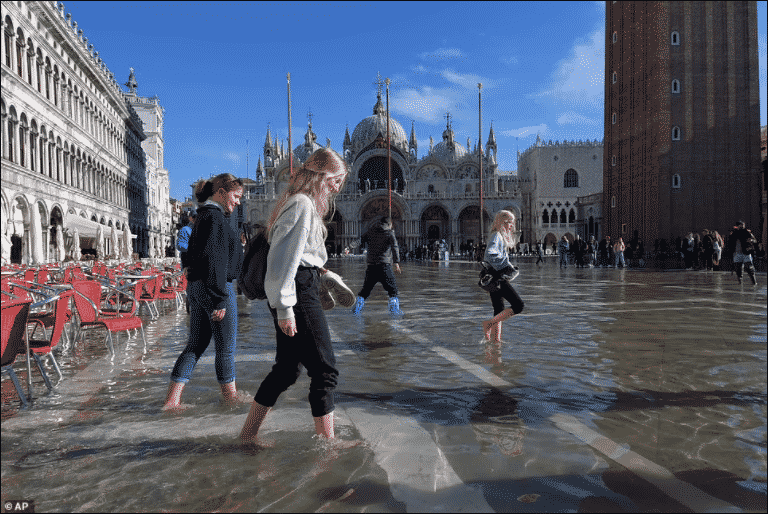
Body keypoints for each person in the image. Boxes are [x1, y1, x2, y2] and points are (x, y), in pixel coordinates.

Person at [240, 148, 348, 443]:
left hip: (302, 284)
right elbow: (282, 258)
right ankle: (329, 445)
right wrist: (285, 306)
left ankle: (248, 435)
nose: (337, 187)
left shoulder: (303, 204)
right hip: (297, 290)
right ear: (322, 175)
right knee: (325, 370)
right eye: (336, 180)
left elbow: (302, 254)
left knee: (287, 370)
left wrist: (323, 275)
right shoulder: (301, 204)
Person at [163, 173, 245, 409]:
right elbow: (215, 259)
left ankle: (172, 400)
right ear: (220, 193)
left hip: (198, 287)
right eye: (235, 196)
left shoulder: (201, 217)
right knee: (226, 348)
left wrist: (189, 269)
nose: (238, 202)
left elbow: (190, 252)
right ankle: (230, 399)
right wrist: (219, 299)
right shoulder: (216, 218)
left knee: (196, 344)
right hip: (216, 288)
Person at [481, 210, 524, 343]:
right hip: (497, 277)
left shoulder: (497, 235)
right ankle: (488, 324)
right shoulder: (497, 236)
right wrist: (507, 266)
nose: (512, 226)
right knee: (518, 305)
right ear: (503, 222)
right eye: (510, 223)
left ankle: (495, 341)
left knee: (499, 309)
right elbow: (489, 254)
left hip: (493, 277)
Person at [352, 216, 403, 316]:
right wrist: (396, 262)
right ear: (390, 224)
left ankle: (356, 311)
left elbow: (360, 240)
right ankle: (395, 313)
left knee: (364, 291)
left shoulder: (370, 232)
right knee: (393, 291)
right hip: (385, 267)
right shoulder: (389, 233)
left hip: (371, 267)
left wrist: (349, 247)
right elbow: (395, 247)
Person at [727, 220, 757, 285]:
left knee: (749, 267)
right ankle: (740, 281)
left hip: (746, 252)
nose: (742, 226)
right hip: (737, 253)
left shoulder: (747, 232)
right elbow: (729, 243)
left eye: (743, 224)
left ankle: (753, 281)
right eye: (740, 225)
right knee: (738, 268)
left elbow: (754, 240)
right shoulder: (734, 233)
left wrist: (751, 240)